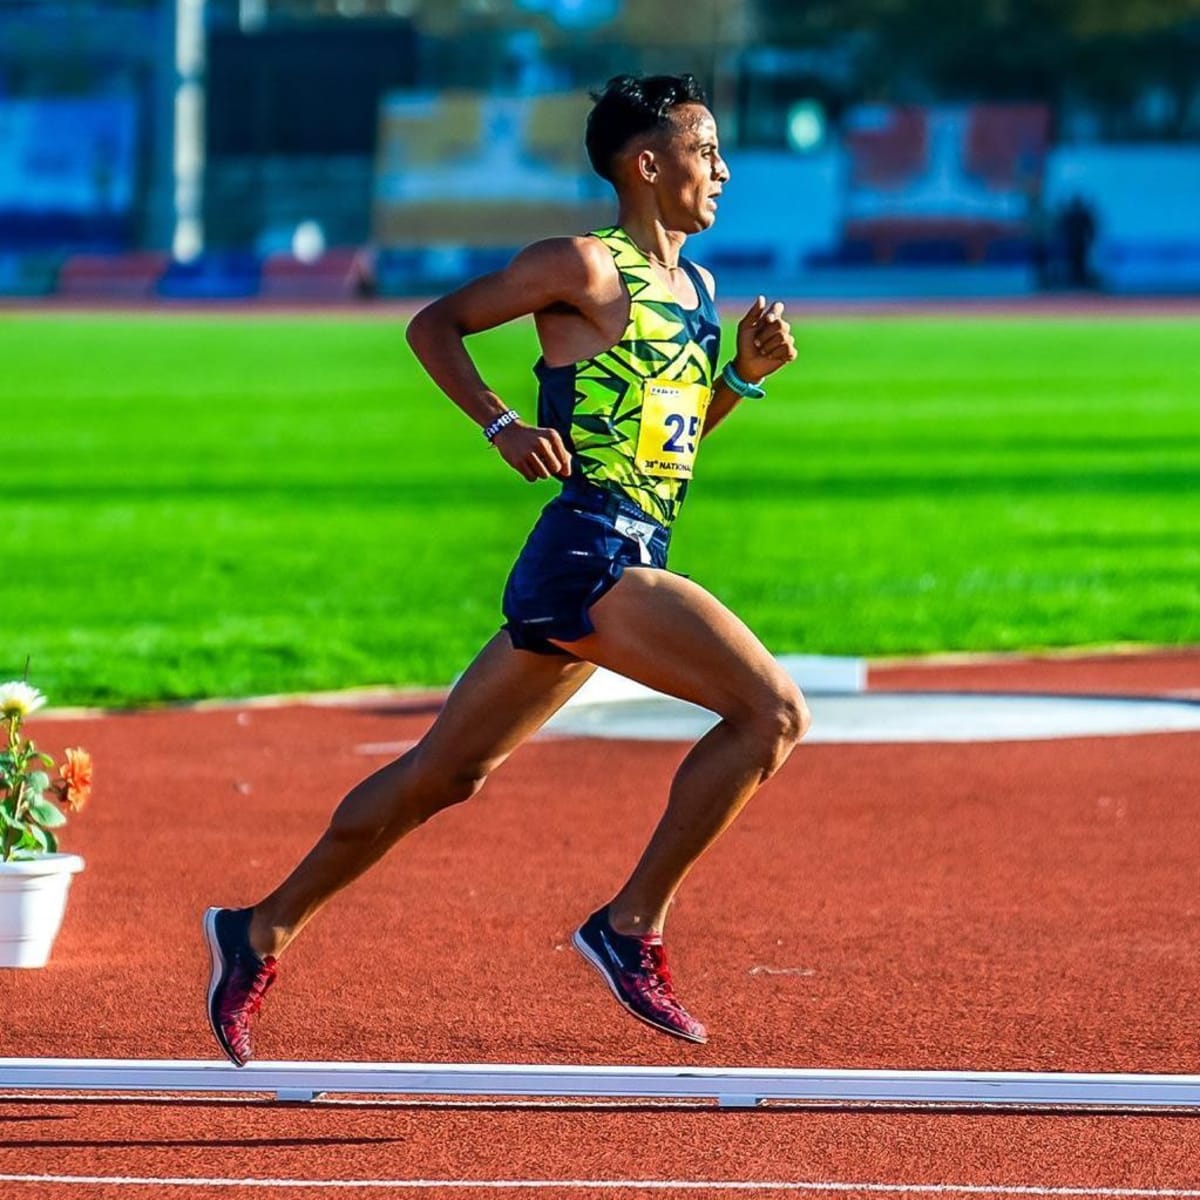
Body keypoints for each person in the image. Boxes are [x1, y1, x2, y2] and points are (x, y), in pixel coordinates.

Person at [204, 72, 808, 1064]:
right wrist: (500, 423)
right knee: (771, 713)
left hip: (627, 550)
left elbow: (673, 444)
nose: (723, 170)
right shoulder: (581, 265)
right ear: (645, 164)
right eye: (705, 150)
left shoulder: (699, 292)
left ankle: (257, 929)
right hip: (591, 553)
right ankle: (630, 926)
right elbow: (432, 325)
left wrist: (741, 376)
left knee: (443, 775)